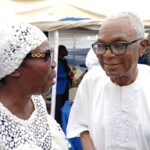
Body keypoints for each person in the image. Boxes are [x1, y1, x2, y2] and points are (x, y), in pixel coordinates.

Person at [67, 12, 150, 149]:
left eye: (119, 45)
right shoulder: (91, 80)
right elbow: (82, 127)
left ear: (142, 46)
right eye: (101, 46)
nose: (107, 54)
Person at [0, 18, 70, 150]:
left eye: (52, 54)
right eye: (45, 56)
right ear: (14, 67)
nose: (53, 63)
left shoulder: (37, 102)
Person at [55, 45, 74, 126]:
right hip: (58, 88)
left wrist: (72, 73)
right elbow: (55, 75)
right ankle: (58, 124)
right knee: (58, 108)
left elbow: (68, 71)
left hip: (66, 87)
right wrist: (67, 74)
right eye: (64, 49)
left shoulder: (64, 60)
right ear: (60, 51)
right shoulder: (56, 61)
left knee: (65, 107)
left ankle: (64, 123)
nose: (66, 51)